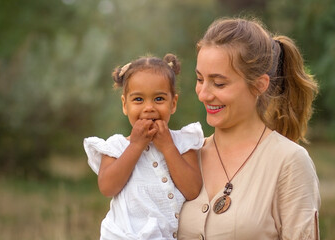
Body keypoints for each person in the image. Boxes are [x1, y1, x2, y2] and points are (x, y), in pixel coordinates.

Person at [178, 17, 321, 239]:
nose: (204, 94)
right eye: (199, 79)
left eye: (219, 83)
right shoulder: (187, 155)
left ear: (259, 85)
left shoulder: (289, 162)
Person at [84, 53, 204, 239]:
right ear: (125, 105)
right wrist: (136, 145)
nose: (149, 108)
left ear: (173, 103)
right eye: (138, 99)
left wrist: (168, 147)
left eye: (159, 99)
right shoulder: (116, 146)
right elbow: (107, 187)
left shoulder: (182, 143)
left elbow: (193, 190)